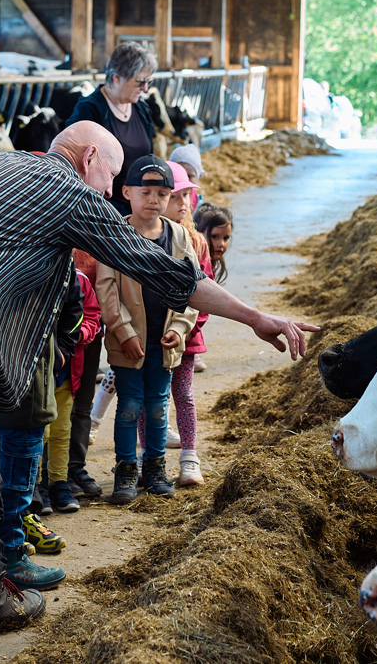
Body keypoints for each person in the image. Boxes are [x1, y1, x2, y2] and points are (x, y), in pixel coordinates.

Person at [0, 121, 315, 639]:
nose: (109, 193)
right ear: (88, 159)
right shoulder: (66, 188)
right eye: (110, 178)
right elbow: (162, 269)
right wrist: (254, 317)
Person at [97, 155, 200, 504]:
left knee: (157, 407)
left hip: (164, 342)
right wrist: (124, 332)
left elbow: (193, 287)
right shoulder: (115, 235)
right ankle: (126, 470)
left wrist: (180, 328)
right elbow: (107, 288)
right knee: (128, 406)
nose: (154, 200)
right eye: (146, 192)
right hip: (129, 343)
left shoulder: (179, 235)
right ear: (126, 192)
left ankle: (155, 469)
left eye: (162, 193)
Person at [0, 269, 83, 591]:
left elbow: (72, 302)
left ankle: (0, 549)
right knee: (17, 469)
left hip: (23, 370)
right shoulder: (31, 248)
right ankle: (10, 556)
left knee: (9, 468)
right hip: (17, 379)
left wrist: (61, 350)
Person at [137, 162, 210, 487]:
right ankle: (147, 458)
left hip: (185, 337)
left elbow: (205, 291)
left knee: (183, 395)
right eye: (175, 196)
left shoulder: (196, 242)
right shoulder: (141, 237)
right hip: (149, 335)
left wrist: (186, 329)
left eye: (186, 196)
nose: (182, 203)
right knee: (145, 400)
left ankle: (189, 457)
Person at [64, 42, 157, 215]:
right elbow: (73, 165)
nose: (145, 88)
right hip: (102, 210)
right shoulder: (89, 110)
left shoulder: (141, 109)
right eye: (140, 81)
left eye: (148, 82)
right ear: (117, 77)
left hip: (140, 209)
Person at [44, 258, 102, 513]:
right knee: (39, 432)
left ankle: (59, 483)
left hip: (67, 371)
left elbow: (92, 315)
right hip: (36, 373)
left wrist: (79, 334)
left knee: (61, 430)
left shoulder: (79, 279)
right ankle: (36, 487)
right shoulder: (31, 272)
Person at [192, 203, 234, 373]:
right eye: (215, 236)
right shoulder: (193, 260)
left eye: (226, 238)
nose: (221, 244)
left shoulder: (213, 262)